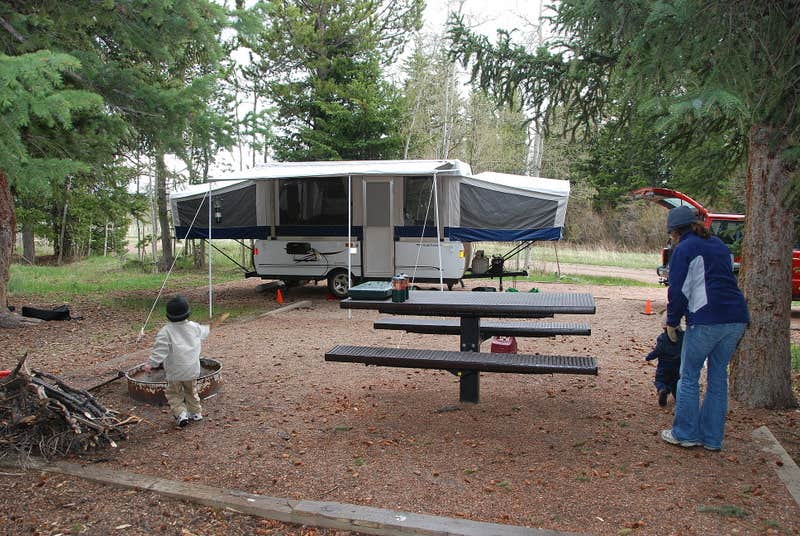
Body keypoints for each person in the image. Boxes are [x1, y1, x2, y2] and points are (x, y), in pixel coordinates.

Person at [659, 205, 749, 451]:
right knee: (718, 377)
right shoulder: (718, 244)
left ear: (674, 231)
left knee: (688, 377)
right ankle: (712, 438)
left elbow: (678, 289)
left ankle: (685, 433)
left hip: (706, 319)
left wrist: (672, 320)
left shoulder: (683, 248)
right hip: (737, 318)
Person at [144, 295, 210, 427]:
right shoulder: (194, 327)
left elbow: (159, 351)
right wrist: (208, 327)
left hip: (174, 372)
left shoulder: (166, 332)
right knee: (191, 391)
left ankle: (181, 414)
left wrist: (151, 364)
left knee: (174, 394)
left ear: (168, 315)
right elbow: (205, 331)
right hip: (192, 370)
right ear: (187, 313)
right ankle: (196, 413)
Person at [645, 326, 683, 406]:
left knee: (660, 380)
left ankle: (662, 389)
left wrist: (648, 357)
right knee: (675, 381)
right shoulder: (683, 336)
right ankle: (678, 397)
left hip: (664, 366)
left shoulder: (662, 338)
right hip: (678, 365)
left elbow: (657, 351)